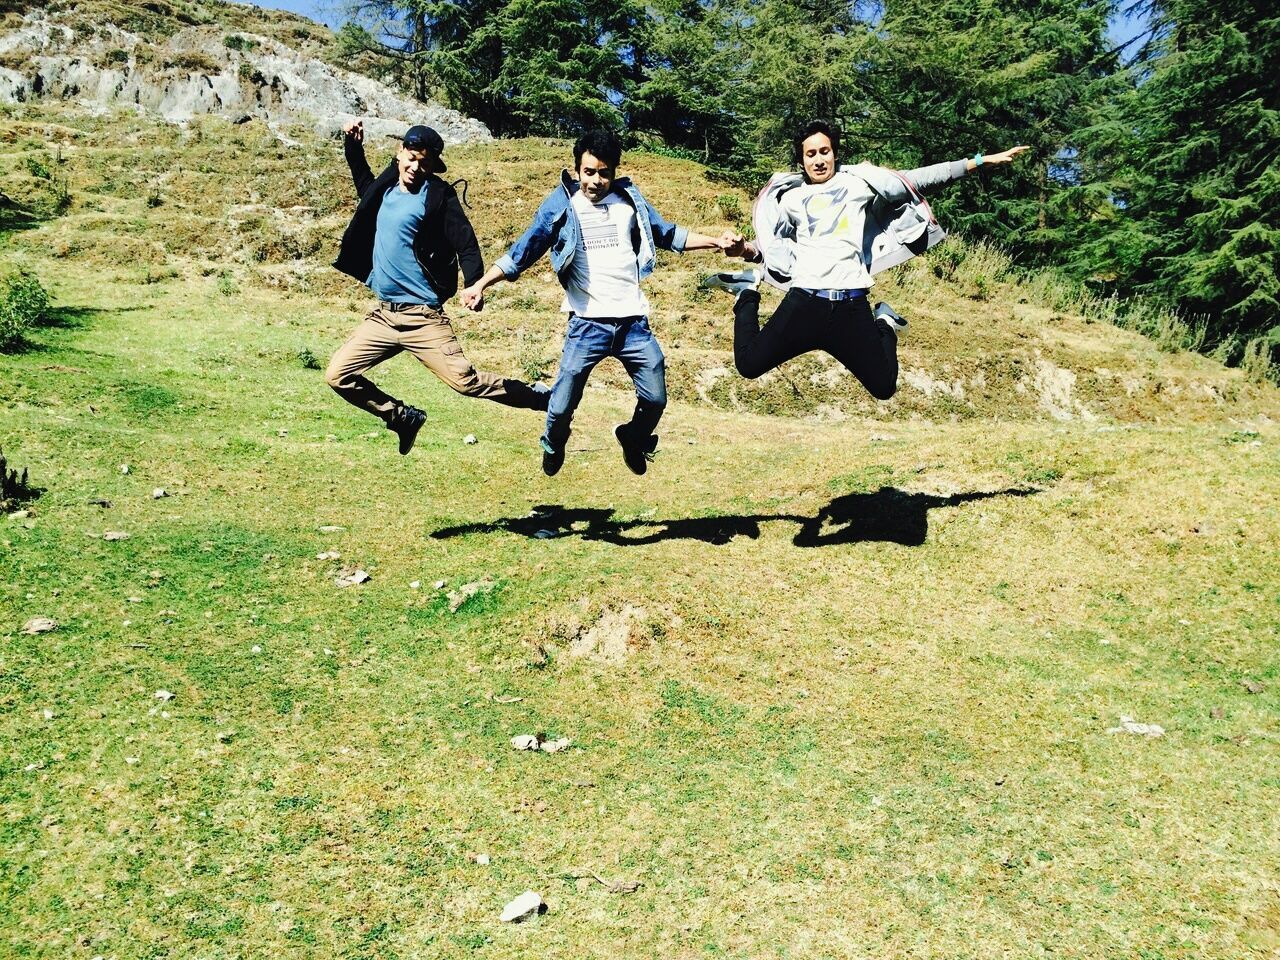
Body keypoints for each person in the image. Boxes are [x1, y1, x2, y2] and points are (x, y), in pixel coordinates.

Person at [461, 129, 731, 476]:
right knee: (560, 407)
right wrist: (481, 284)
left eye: (604, 172)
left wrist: (716, 242)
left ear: (614, 171)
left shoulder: (629, 202)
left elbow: (668, 233)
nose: (596, 180)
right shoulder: (561, 206)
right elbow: (523, 252)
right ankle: (554, 442)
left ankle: (632, 438)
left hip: (633, 323)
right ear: (577, 171)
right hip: (587, 323)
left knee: (655, 399)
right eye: (589, 172)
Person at [705, 120, 1028, 400]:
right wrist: (745, 250)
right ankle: (748, 290)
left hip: (851, 306)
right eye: (811, 154)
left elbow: (918, 179)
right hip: (804, 303)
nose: (819, 160)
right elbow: (777, 251)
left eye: (825, 151)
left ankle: (885, 322)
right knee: (748, 365)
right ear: (802, 160)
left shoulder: (859, 183)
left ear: (835, 153)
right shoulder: (790, 199)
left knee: (884, 386)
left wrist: (979, 161)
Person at [327, 120, 549, 455]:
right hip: (384, 317)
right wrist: (353, 146)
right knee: (337, 375)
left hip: (423, 318)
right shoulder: (385, 190)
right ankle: (402, 418)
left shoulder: (437, 196)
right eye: (411, 158)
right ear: (400, 153)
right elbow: (363, 183)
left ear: (433, 166)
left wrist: (475, 284)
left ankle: (540, 397)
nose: (416, 168)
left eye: (425, 163)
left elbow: (466, 242)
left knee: (466, 382)